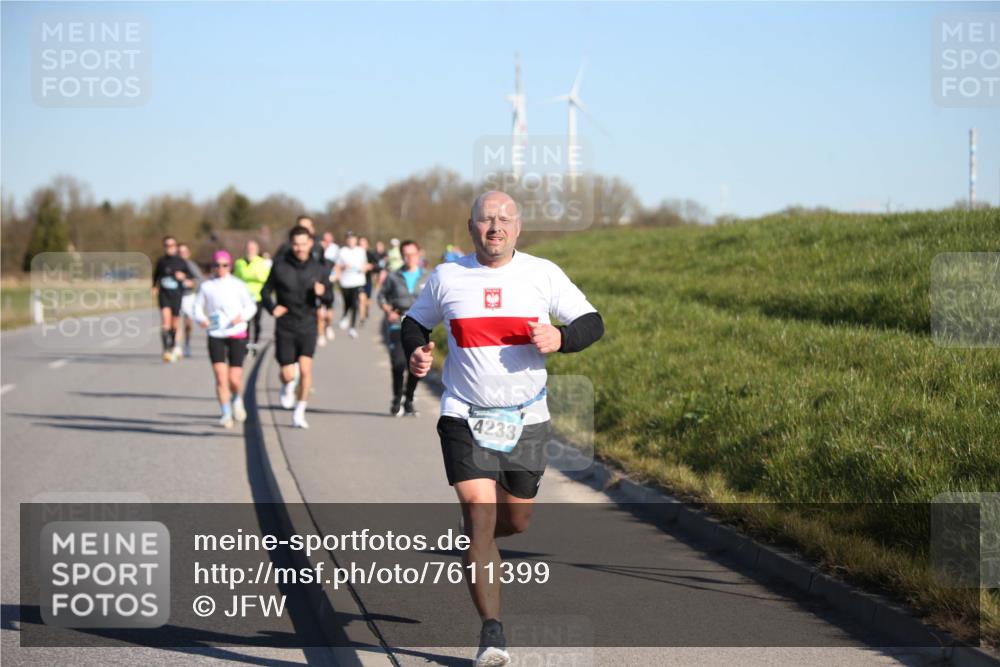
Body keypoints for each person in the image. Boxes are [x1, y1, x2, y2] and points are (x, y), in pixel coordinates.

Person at [403, 191, 604, 667]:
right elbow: (414, 323)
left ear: (518, 227)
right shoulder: (448, 276)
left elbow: (592, 322)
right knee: (478, 512)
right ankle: (492, 634)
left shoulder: (542, 273)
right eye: (486, 219)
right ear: (470, 227)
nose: (495, 227)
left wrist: (562, 337)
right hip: (463, 412)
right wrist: (416, 350)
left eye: (504, 219)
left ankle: (481, 539)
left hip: (526, 416)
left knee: (515, 520)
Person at [261, 225, 333, 429]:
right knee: (288, 374)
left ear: (310, 243)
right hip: (285, 324)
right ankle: (287, 386)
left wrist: (322, 292)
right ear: (290, 244)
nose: (300, 248)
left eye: (303, 244)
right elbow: (265, 291)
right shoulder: (280, 266)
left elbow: (330, 297)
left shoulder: (319, 268)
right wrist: (272, 308)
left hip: (308, 323)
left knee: (305, 369)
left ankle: (300, 411)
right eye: (296, 244)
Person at [193, 250, 257, 428]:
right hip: (215, 334)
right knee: (221, 378)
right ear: (212, 266)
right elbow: (197, 307)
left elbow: (251, 306)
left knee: (234, 379)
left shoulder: (238, 285)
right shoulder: (207, 286)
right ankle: (226, 412)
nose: (220, 268)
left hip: (236, 333)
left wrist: (242, 316)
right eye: (217, 265)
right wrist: (202, 320)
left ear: (229, 266)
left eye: (224, 265)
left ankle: (237, 399)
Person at [378, 240, 430, 417]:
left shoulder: (428, 276)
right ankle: (396, 398)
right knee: (399, 364)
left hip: (419, 326)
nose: (410, 258)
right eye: (406, 254)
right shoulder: (393, 276)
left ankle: (409, 398)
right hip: (397, 323)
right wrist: (388, 310)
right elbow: (381, 297)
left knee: (416, 364)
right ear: (401, 256)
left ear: (419, 254)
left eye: (413, 254)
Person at [152, 236, 191, 363]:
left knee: (175, 323)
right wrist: (154, 287)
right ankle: (165, 350)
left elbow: (190, 276)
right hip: (164, 295)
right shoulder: (161, 261)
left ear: (175, 246)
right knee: (165, 321)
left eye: (172, 245)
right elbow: (156, 275)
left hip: (177, 295)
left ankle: (173, 344)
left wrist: (183, 277)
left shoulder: (181, 261)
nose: (170, 248)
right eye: (167, 245)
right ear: (164, 247)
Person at [233, 240, 270, 354]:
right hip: (243, 298)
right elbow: (236, 278)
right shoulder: (239, 263)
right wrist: (252, 275)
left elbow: (265, 277)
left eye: (253, 249)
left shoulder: (262, 262)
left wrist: (252, 276)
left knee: (257, 322)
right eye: (249, 248)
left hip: (257, 297)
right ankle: (246, 344)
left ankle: (255, 343)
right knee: (246, 322)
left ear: (257, 250)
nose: (250, 251)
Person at [334, 231, 369, 339]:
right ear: (346, 240)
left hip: (358, 281)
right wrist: (343, 269)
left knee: (355, 303)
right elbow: (337, 266)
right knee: (347, 302)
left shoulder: (361, 251)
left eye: (353, 238)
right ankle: (345, 315)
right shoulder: (342, 251)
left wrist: (364, 268)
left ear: (356, 240)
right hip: (345, 281)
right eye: (349, 239)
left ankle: (352, 328)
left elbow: (365, 264)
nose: (351, 241)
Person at [177, 242, 204, 359]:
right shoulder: (174, 265)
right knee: (176, 323)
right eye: (180, 252)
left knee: (188, 324)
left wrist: (191, 283)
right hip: (175, 297)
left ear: (188, 254)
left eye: (184, 252)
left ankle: (187, 344)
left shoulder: (191, 265)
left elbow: (201, 280)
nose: (182, 254)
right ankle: (177, 347)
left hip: (189, 297)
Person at [319, 231, 341, 342]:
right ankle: (321, 335)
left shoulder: (332, 254)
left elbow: (337, 266)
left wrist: (335, 276)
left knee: (329, 315)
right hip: (319, 290)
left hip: (329, 288)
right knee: (320, 315)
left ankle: (328, 327)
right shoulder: (316, 259)